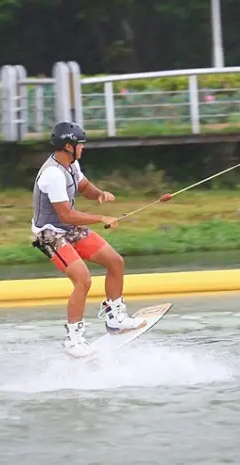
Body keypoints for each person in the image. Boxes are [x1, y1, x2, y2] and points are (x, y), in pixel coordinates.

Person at [31, 121, 147, 357]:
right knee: (83, 279)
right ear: (67, 146)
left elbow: (83, 187)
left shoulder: (71, 165)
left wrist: (100, 195)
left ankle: (116, 318)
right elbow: (66, 214)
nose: (82, 148)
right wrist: (101, 217)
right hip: (50, 233)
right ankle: (73, 338)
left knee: (115, 261)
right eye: (79, 145)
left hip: (68, 227)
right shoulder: (52, 173)